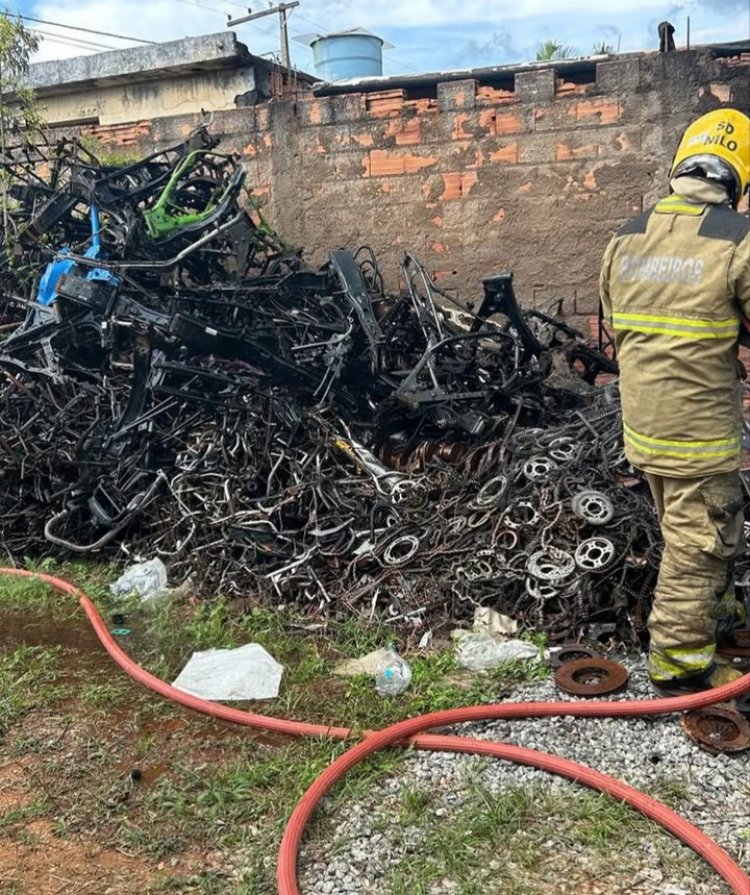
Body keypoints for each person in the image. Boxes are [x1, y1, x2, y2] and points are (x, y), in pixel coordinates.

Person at [600, 108, 750, 695]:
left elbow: (615, 323)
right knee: (700, 542)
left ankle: (714, 616)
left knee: (690, 528)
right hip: (699, 432)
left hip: (643, 426)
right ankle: (680, 663)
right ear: (736, 178)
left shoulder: (627, 235)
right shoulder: (736, 241)